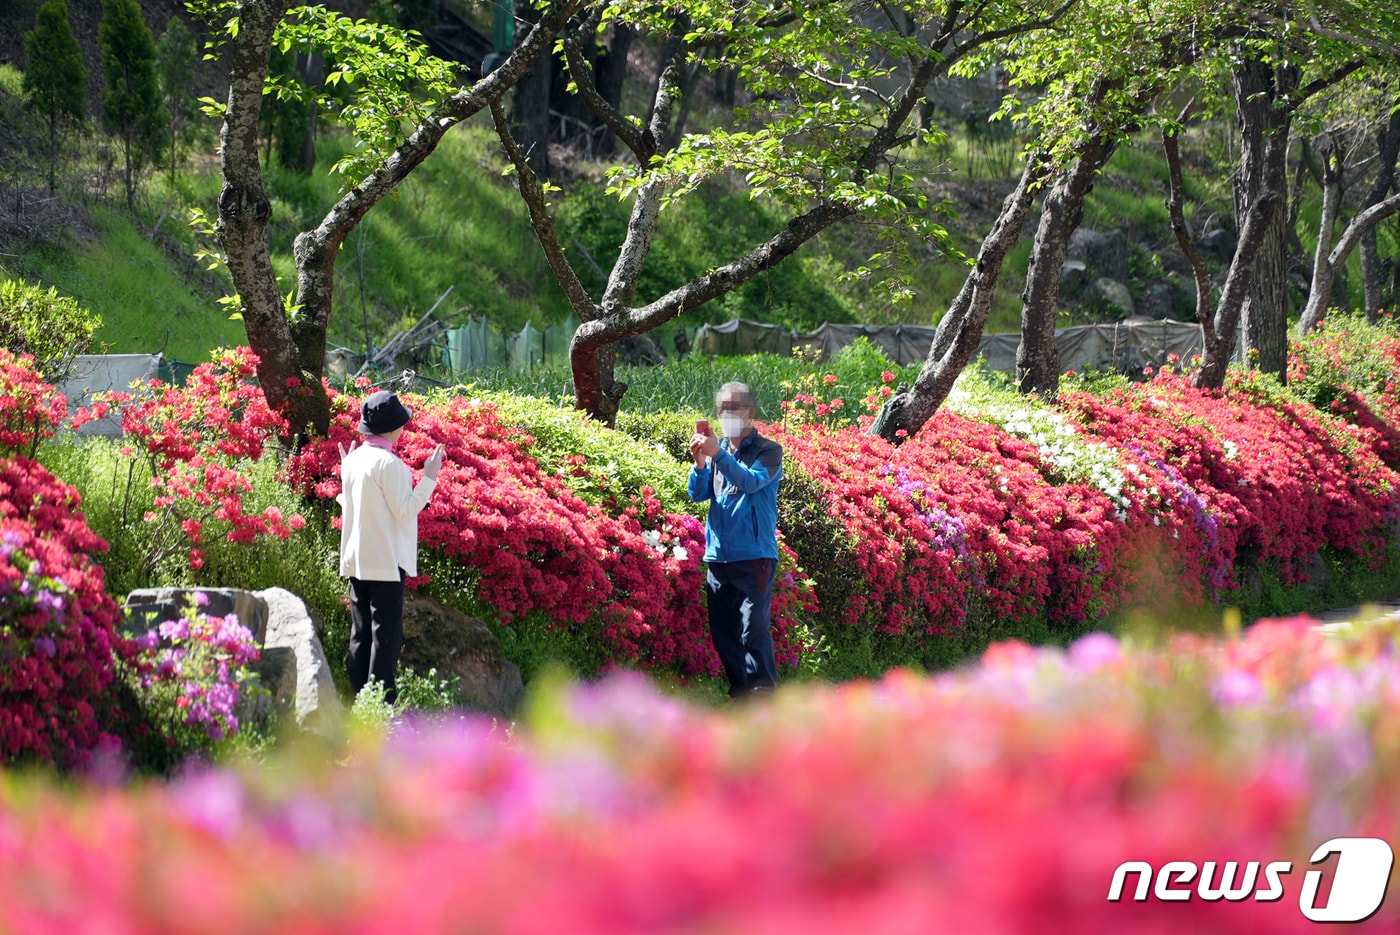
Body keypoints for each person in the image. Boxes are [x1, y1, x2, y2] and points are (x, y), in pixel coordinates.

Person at [337, 390, 444, 705]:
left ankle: (357, 699)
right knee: (386, 637)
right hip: (385, 561)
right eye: (401, 422)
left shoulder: (353, 461)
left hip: (358, 559)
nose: (404, 427)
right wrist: (430, 478)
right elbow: (406, 511)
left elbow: (351, 504)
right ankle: (380, 705)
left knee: (361, 633)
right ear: (391, 428)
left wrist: (348, 470)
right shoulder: (390, 464)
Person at [688, 381, 783, 699]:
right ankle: (742, 694)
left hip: (754, 554)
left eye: (734, 407)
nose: (727, 414)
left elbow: (751, 482)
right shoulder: (719, 453)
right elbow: (699, 494)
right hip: (718, 556)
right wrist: (701, 463)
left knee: (752, 627)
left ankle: (763, 693)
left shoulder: (768, 451)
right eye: (722, 409)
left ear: (751, 412)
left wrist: (719, 456)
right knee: (723, 632)